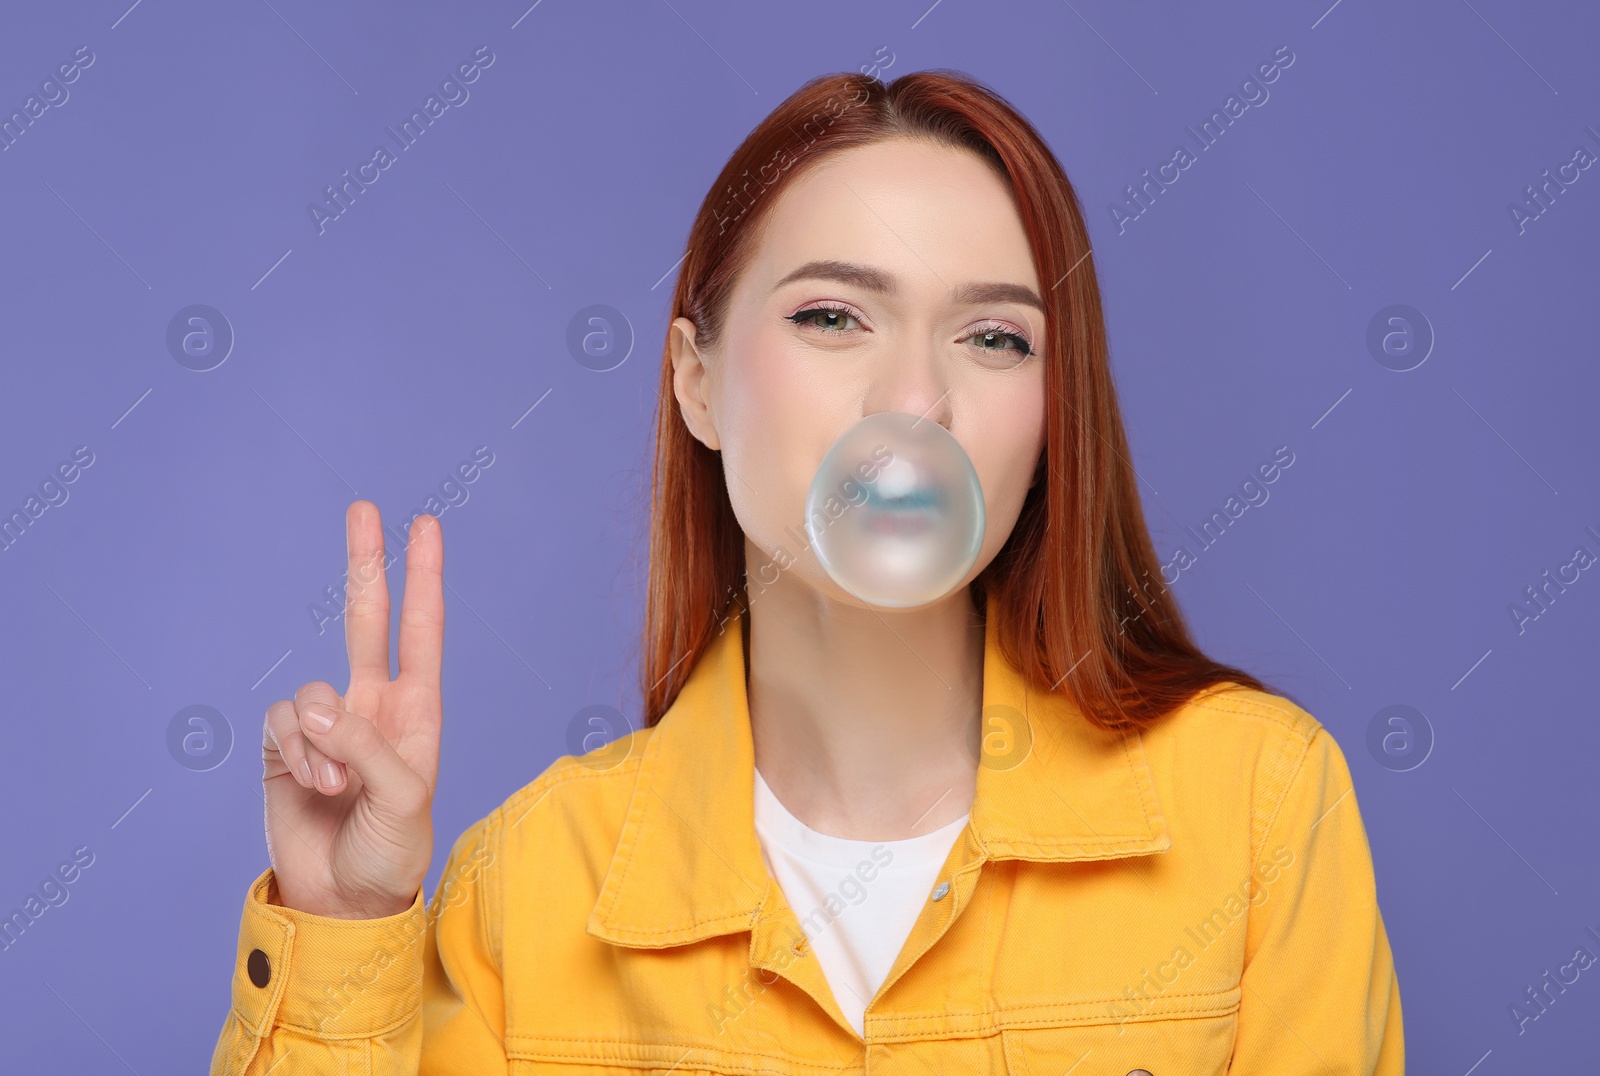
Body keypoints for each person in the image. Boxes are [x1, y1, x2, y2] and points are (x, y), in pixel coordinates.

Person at [211, 68, 1403, 1073]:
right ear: (696, 379)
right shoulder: (523, 889)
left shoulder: (1256, 806)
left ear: (1052, 414)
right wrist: (348, 926)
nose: (914, 399)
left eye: (993, 336)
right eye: (835, 316)